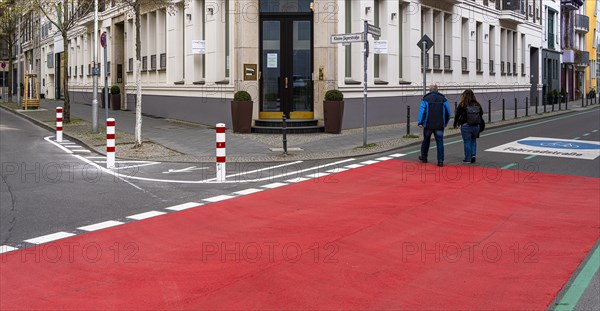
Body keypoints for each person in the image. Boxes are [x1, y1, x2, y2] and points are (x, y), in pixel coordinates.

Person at [418, 84, 451, 167]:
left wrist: (420, 122)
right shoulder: (443, 99)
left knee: (426, 140)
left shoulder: (425, 99)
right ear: (437, 90)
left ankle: (424, 157)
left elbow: (422, 111)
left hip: (428, 124)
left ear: (430, 90)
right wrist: (445, 122)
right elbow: (448, 113)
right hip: (440, 124)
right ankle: (440, 161)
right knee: (440, 142)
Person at [453, 89, 484, 163]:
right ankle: (473, 155)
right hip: (476, 125)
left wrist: (455, 123)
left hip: (466, 125)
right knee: (473, 140)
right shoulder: (477, 104)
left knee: (467, 141)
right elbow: (481, 113)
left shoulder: (462, 104)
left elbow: (457, 115)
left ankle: (467, 158)